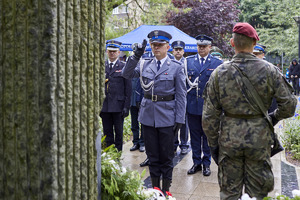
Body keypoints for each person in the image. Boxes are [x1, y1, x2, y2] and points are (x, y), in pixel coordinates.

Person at [202, 22, 297, 199]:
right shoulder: (270, 70)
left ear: (232, 43)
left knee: (229, 192)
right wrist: (272, 118)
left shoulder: (219, 72)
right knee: (257, 193)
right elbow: (289, 106)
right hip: (259, 139)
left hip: (229, 139)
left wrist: (214, 144)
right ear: (254, 43)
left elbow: (209, 117)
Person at [122, 30, 187, 195]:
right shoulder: (144, 64)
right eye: (153, 45)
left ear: (167, 47)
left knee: (166, 156)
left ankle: (166, 189)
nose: (156, 47)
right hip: (148, 116)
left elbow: (181, 95)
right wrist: (136, 55)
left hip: (167, 117)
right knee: (152, 155)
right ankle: (155, 189)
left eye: (159, 45)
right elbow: (126, 74)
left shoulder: (176, 67)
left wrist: (180, 119)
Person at [186, 35, 223, 176]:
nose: (201, 49)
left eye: (204, 46)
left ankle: (206, 163)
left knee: (207, 137)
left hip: (208, 108)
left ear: (209, 47)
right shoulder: (188, 62)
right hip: (192, 106)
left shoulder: (216, 63)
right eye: (199, 46)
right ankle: (196, 162)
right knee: (194, 136)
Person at [100, 40, 132, 151]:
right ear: (106, 52)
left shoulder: (123, 66)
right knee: (107, 132)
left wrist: (126, 107)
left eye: (114, 51)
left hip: (118, 106)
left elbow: (128, 89)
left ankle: (117, 155)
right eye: (110, 51)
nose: (112, 53)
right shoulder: (101, 66)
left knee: (118, 133)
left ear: (119, 52)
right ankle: (109, 155)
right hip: (105, 106)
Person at [171, 40, 189, 155]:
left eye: (180, 50)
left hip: (183, 96)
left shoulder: (187, 63)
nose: (178, 51)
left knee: (183, 122)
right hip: (172, 98)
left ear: (183, 51)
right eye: (176, 50)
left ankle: (184, 144)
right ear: (172, 51)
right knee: (172, 123)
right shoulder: (169, 63)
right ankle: (174, 144)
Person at [129, 77, 145, 152]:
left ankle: (142, 143)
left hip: (142, 101)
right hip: (132, 101)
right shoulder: (131, 71)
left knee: (143, 123)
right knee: (134, 123)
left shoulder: (142, 69)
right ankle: (135, 142)